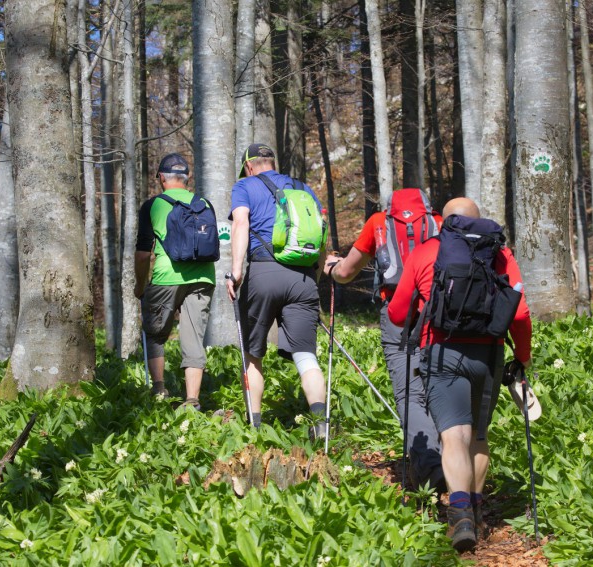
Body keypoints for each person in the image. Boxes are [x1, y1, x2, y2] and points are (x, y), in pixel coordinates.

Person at [387, 197, 532, 552]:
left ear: (444, 222)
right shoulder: (500, 254)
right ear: (479, 222)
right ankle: (477, 512)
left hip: (441, 352)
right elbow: (520, 314)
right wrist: (522, 357)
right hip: (489, 354)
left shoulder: (426, 252)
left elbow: (396, 313)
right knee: (478, 436)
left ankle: (461, 514)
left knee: (454, 436)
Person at [322, 189, 445, 492]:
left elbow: (347, 271)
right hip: (439, 313)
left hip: (396, 313)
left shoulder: (379, 222)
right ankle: (451, 459)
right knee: (440, 387)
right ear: (427, 206)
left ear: (390, 207)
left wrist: (332, 268)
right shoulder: (441, 223)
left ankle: (429, 466)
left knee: (409, 394)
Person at [224, 143, 327, 437]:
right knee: (306, 354)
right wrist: (314, 277)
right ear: (272, 162)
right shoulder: (301, 187)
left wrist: (237, 270)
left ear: (249, 166)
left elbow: (241, 223)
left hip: (264, 273)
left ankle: (254, 426)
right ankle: (320, 424)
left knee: (253, 354)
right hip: (303, 277)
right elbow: (320, 232)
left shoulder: (244, 186)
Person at [134, 153, 216, 410]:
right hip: (203, 277)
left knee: (156, 333)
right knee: (193, 337)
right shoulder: (204, 203)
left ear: (161, 178)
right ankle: (192, 400)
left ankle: (159, 390)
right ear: (186, 178)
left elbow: (143, 253)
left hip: (166, 278)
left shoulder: (153, 205)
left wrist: (140, 285)